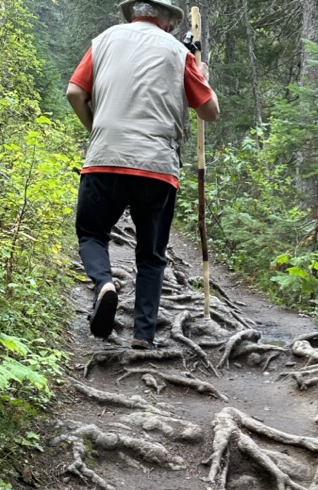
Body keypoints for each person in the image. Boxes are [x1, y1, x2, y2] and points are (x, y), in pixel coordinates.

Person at [67, 1, 219, 350]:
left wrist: (97, 130)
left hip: (105, 158)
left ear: (134, 14)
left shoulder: (103, 40)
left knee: (92, 232)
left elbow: (75, 92)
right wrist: (203, 77)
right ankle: (143, 334)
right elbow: (210, 112)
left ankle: (104, 284)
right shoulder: (178, 53)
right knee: (151, 253)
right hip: (157, 167)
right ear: (166, 21)